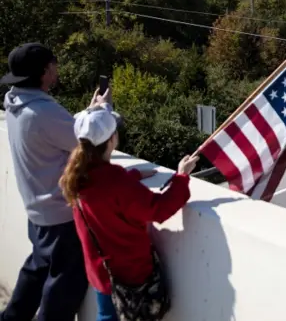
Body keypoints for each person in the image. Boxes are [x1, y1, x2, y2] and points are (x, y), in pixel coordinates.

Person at [58, 104, 199, 321]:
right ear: (112, 139)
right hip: (130, 275)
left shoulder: (79, 174)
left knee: (106, 315)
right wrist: (181, 177)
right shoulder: (117, 182)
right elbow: (159, 209)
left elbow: (107, 193)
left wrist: (132, 176)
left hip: (100, 272)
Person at [1, 42, 108, 321]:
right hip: (60, 214)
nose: (57, 69)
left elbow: (58, 131)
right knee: (64, 286)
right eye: (54, 64)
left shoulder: (16, 101)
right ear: (45, 71)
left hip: (37, 209)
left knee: (37, 269)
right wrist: (99, 114)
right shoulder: (42, 113)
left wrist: (87, 111)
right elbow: (88, 143)